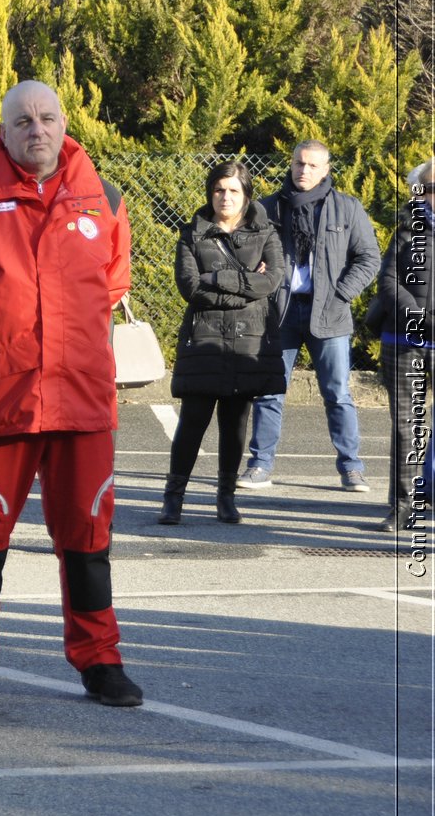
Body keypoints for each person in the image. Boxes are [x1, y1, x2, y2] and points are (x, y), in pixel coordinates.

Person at [0, 80, 144, 709]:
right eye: (23, 121)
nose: (37, 130)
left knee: (89, 543)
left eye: (47, 118)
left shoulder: (106, 198)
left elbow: (113, 285)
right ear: (3, 132)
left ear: (64, 122)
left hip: (82, 404)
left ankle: (100, 661)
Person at [237, 140, 379, 493]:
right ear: (291, 163)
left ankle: (351, 468)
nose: (304, 171)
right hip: (280, 313)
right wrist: (260, 279)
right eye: (300, 163)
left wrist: (341, 294)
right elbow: (245, 257)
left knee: (338, 393)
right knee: (270, 392)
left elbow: (368, 258)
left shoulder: (346, 209)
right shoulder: (267, 209)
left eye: (313, 165)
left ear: (326, 169)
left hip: (330, 314)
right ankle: (260, 466)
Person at [159, 163, 285, 525]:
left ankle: (226, 498)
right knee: (192, 423)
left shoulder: (267, 234)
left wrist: (217, 277)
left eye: (233, 190)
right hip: (204, 339)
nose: (225, 197)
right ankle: (173, 498)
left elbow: (272, 281)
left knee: (235, 425)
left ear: (246, 194)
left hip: (248, 342)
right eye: (218, 189)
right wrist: (244, 284)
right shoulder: (192, 234)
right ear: (209, 192)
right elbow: (190, 288)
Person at [374, 160, 434, 532]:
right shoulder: (406, 231)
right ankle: (403, 507)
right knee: (407, 427)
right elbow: (388, 281)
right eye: (428, 187)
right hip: (404, 339)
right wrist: (419, 317)